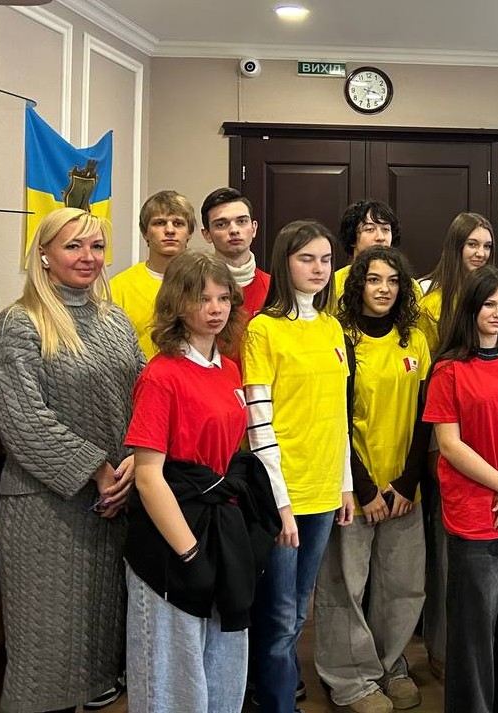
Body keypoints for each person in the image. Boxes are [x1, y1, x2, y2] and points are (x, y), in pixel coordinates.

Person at [0, 207, 143, 712]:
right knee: (43, 669)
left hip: (112, 507)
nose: (88, 257)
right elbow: (23, 420)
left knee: (92, 663)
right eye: (73, 246)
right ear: (45, 255)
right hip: (46, 515)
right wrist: (97, 469)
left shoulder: (114, 319)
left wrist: (134, 460)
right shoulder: (20, 323)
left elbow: (144, 395)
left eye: (96, 246)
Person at [122, 251, 279, 713]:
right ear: (177, 303)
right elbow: (148, 476)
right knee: (174, 672)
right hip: (174, 532)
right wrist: (188, 551)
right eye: (202, 298)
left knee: (225, 662)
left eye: (223, 298)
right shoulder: (161, 375)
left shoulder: (229, 369)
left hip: (221, 528)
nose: (215, 308)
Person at [422, 266, 498, 713]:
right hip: (476, 512)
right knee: (473, 626)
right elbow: (449, 445)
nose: (497, 313)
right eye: (488, 305)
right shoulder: (449, 369)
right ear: (470, 309)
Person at [242, 219, 355, 713]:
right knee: (278, 614)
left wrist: (344, 484)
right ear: (284, 262)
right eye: (306, 258)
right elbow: (258, 424)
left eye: (326, 259)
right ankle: (273, 703)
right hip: (282, 492)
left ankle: (276, 696)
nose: (319, 268)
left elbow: (338, 414)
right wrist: (281, 504)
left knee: (297, 612)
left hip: (325, 488)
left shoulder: (332, 326)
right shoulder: (262, 329)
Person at [314, 245, 431, 713]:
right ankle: (350, 678)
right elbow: (336, 417)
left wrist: (406, 483)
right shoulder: (340, 337)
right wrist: (365, 488)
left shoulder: (414, 340)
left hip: (403, 489)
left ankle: (389, 664)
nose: (384, 289)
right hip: (354, 487)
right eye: (374, 279)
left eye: (393, 281)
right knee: (345, 586)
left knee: (402, 585)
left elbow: (425, 417)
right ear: (357, 284)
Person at [415, 211, 496, 679]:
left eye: (486, 245)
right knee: (444, 548)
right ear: (455, 246)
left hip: (491, 434)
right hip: (443, 430)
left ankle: (482, 645)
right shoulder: (430, 302)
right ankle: (444, 649)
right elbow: (427, 379)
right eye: (472, 244)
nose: (480, 253)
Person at [111, 190, 196, 359]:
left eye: (178, 223)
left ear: (189, 233)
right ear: (145, 233)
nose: (170, 230)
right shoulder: (118, 288)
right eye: (159, 223)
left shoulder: (205, 283)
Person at [200, 187, 271, 317]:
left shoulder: (275, 289)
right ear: (207, 234)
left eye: (242, 221)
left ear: (254, 228)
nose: (234, 230)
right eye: (221, 224)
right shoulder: (194, 287)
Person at [334, 200, 404, 299]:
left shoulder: (409, 285)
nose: (380, 237)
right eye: (370, 229)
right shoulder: (333, 284)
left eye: (386, 229)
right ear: (352, 237)